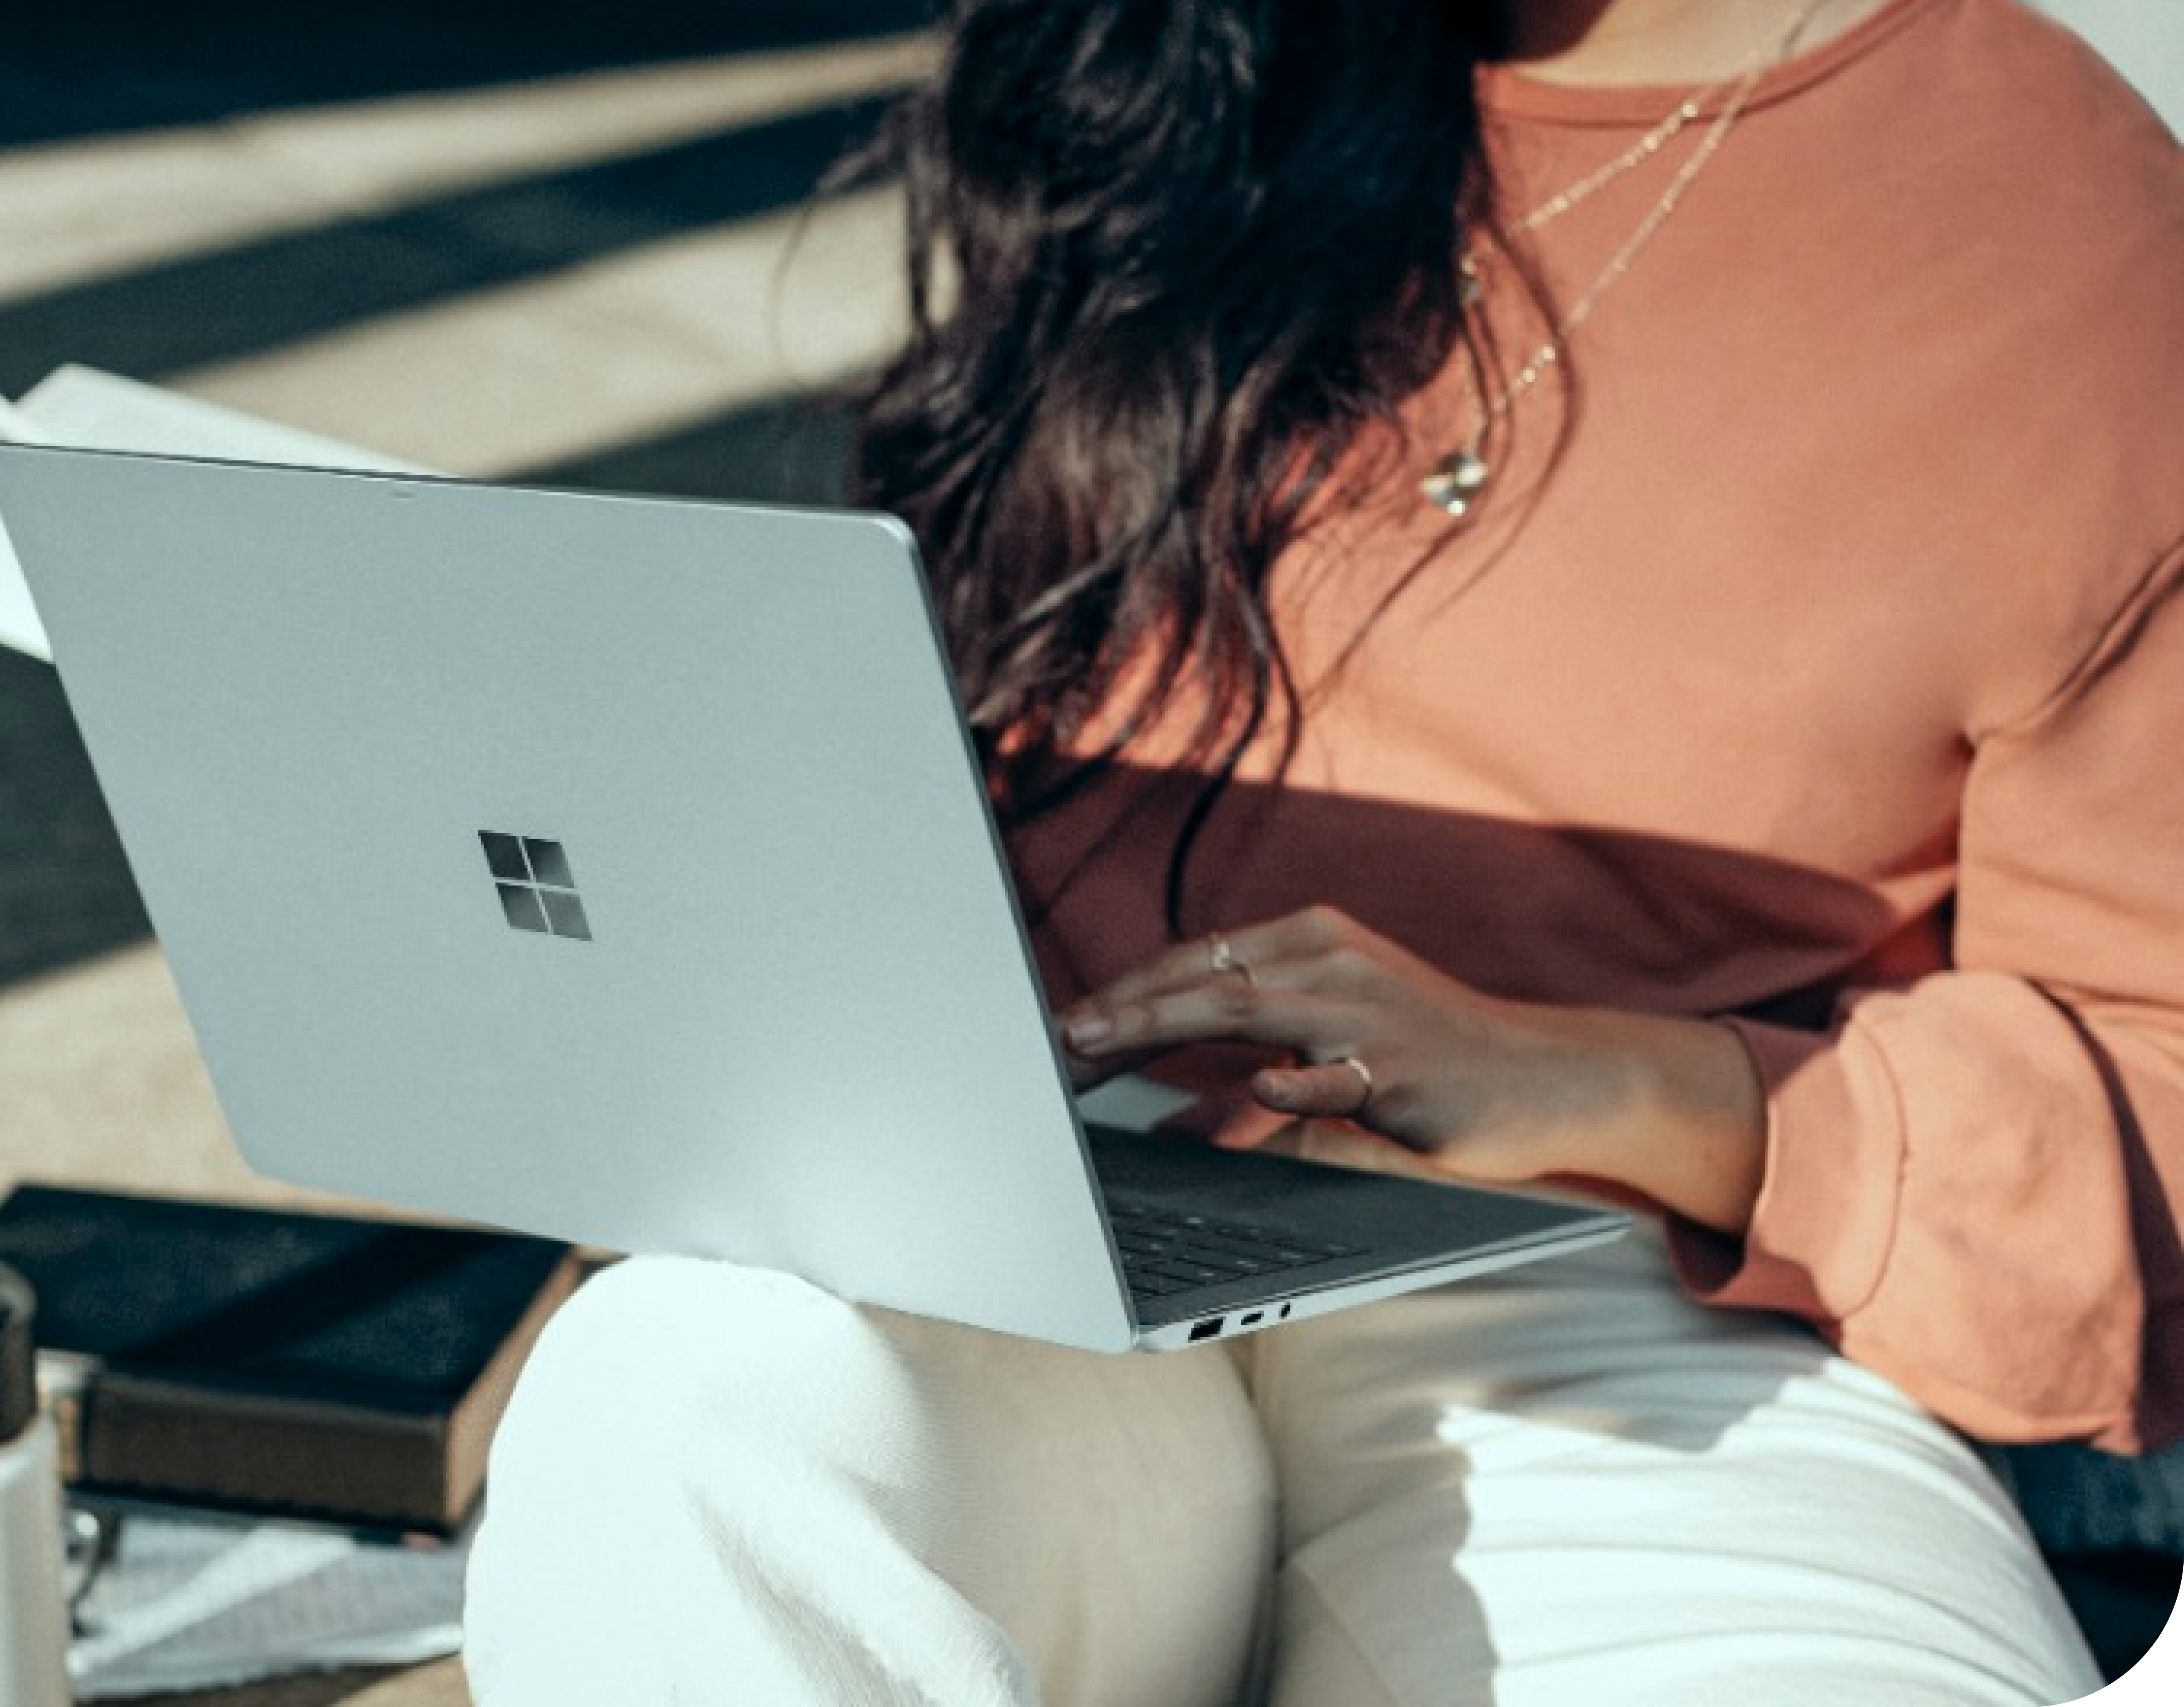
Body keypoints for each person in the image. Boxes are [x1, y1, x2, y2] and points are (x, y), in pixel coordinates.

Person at [463, 0, 2182, 1700]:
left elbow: (2156, 1080)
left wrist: (1622, 1082)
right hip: (1053, 1213)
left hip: (1620, 1296)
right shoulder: (1168, 56)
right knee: (676, 1414)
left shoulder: (2047, 200)